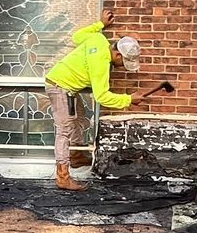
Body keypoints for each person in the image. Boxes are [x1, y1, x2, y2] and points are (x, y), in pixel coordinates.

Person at [43, 11, 140, 192]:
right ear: (118, 55)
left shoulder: (99, 39)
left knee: (78, 119)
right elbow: (102, 96)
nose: (122, 67)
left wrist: (100, 24)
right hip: (59, 87)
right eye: (124, 63)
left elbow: (77, 36)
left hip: (65, 85)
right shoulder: (101, 63)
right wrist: (128, 100)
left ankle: (77, 156)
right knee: (64, 130)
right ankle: (63, 177)